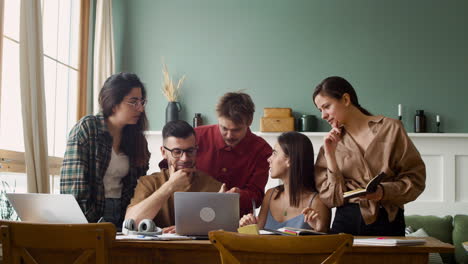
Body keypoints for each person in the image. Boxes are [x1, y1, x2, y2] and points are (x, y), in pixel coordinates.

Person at [313, 76, 426, 236]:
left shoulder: (391, 129)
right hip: (346, 223)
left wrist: (383, 192)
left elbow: (416, 180)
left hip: (388, 222)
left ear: (346, 99)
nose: (323, 115)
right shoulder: (330, 143)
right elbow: (331, 199)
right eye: (320, 110)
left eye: (326, 106)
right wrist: (330, 155)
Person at [60, 72, 151, 228]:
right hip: (90, 217)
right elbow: (75, 190)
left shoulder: (137, 139)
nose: (141, 108)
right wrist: (94, 227)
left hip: (125, 218)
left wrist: (130, 222)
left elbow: (138, 189)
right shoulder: (87, 128)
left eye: (142, 102)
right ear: (114, 103)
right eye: (133, 102)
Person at [125, 120, 222, 232]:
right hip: (156, 249)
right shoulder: (149, 183)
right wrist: (170, 186)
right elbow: (131, 223)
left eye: (190, 151)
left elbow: (224, 230)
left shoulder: (213, 186)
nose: (184, 158)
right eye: (177, 152)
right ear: (163, 152)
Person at [194, 92, 272, 216]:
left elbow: (257, 198)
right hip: (194, 214)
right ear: (218, 118)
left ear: (250, 121)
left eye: (236, 130)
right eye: (224, 128)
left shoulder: (262, 150)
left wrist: (239, 196)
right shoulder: (196, 137)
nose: (229, 136)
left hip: (238, 222)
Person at [239, 132, 330, 232]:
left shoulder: (318, 202)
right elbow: (258, 238)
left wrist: (320, 230)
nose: (269, 159)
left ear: (289, 160)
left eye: (274, 153)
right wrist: (248, 227)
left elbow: (323, 245)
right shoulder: (270, 195)